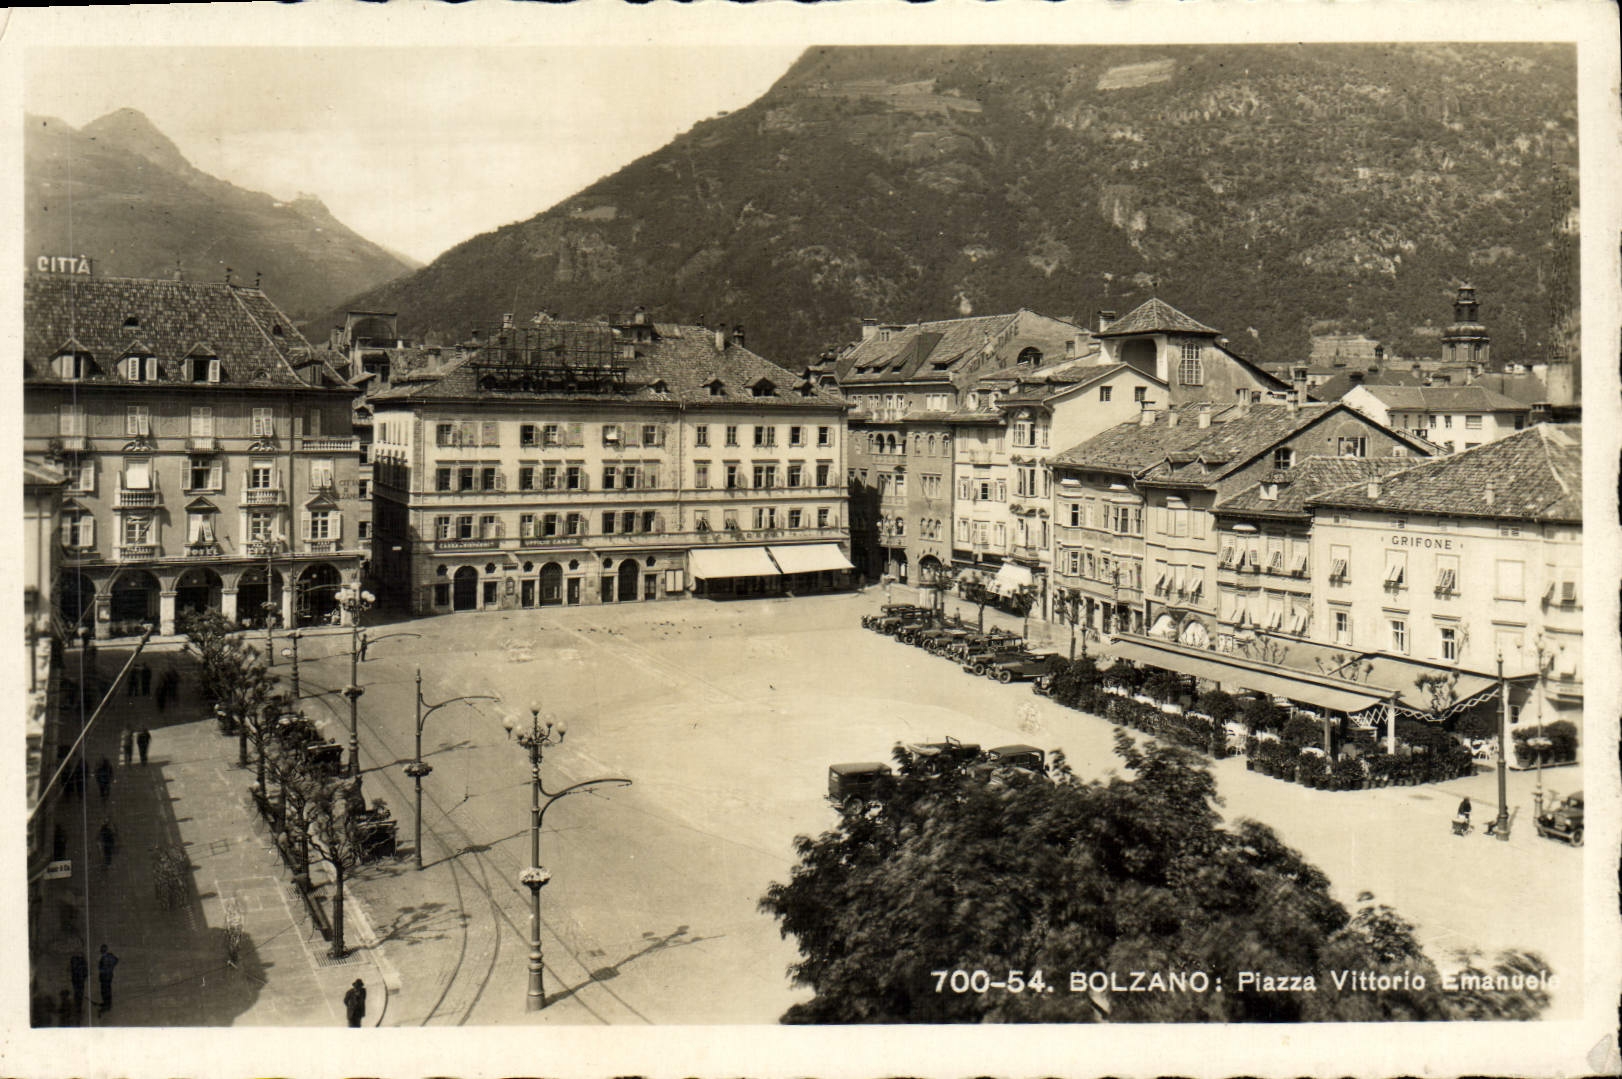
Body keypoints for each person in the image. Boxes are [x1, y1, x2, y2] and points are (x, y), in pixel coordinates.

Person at [97, 944, 119, 1012]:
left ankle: (107, 1005)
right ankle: (107, 1004)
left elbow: (115, 961)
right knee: (106, 991)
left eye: (102, 950)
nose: (101, 951)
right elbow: (116, 960)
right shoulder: (108, 956)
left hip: (106, 977)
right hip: (107, 977)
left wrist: (108, 969)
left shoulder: (107, 957)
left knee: (105, 991)